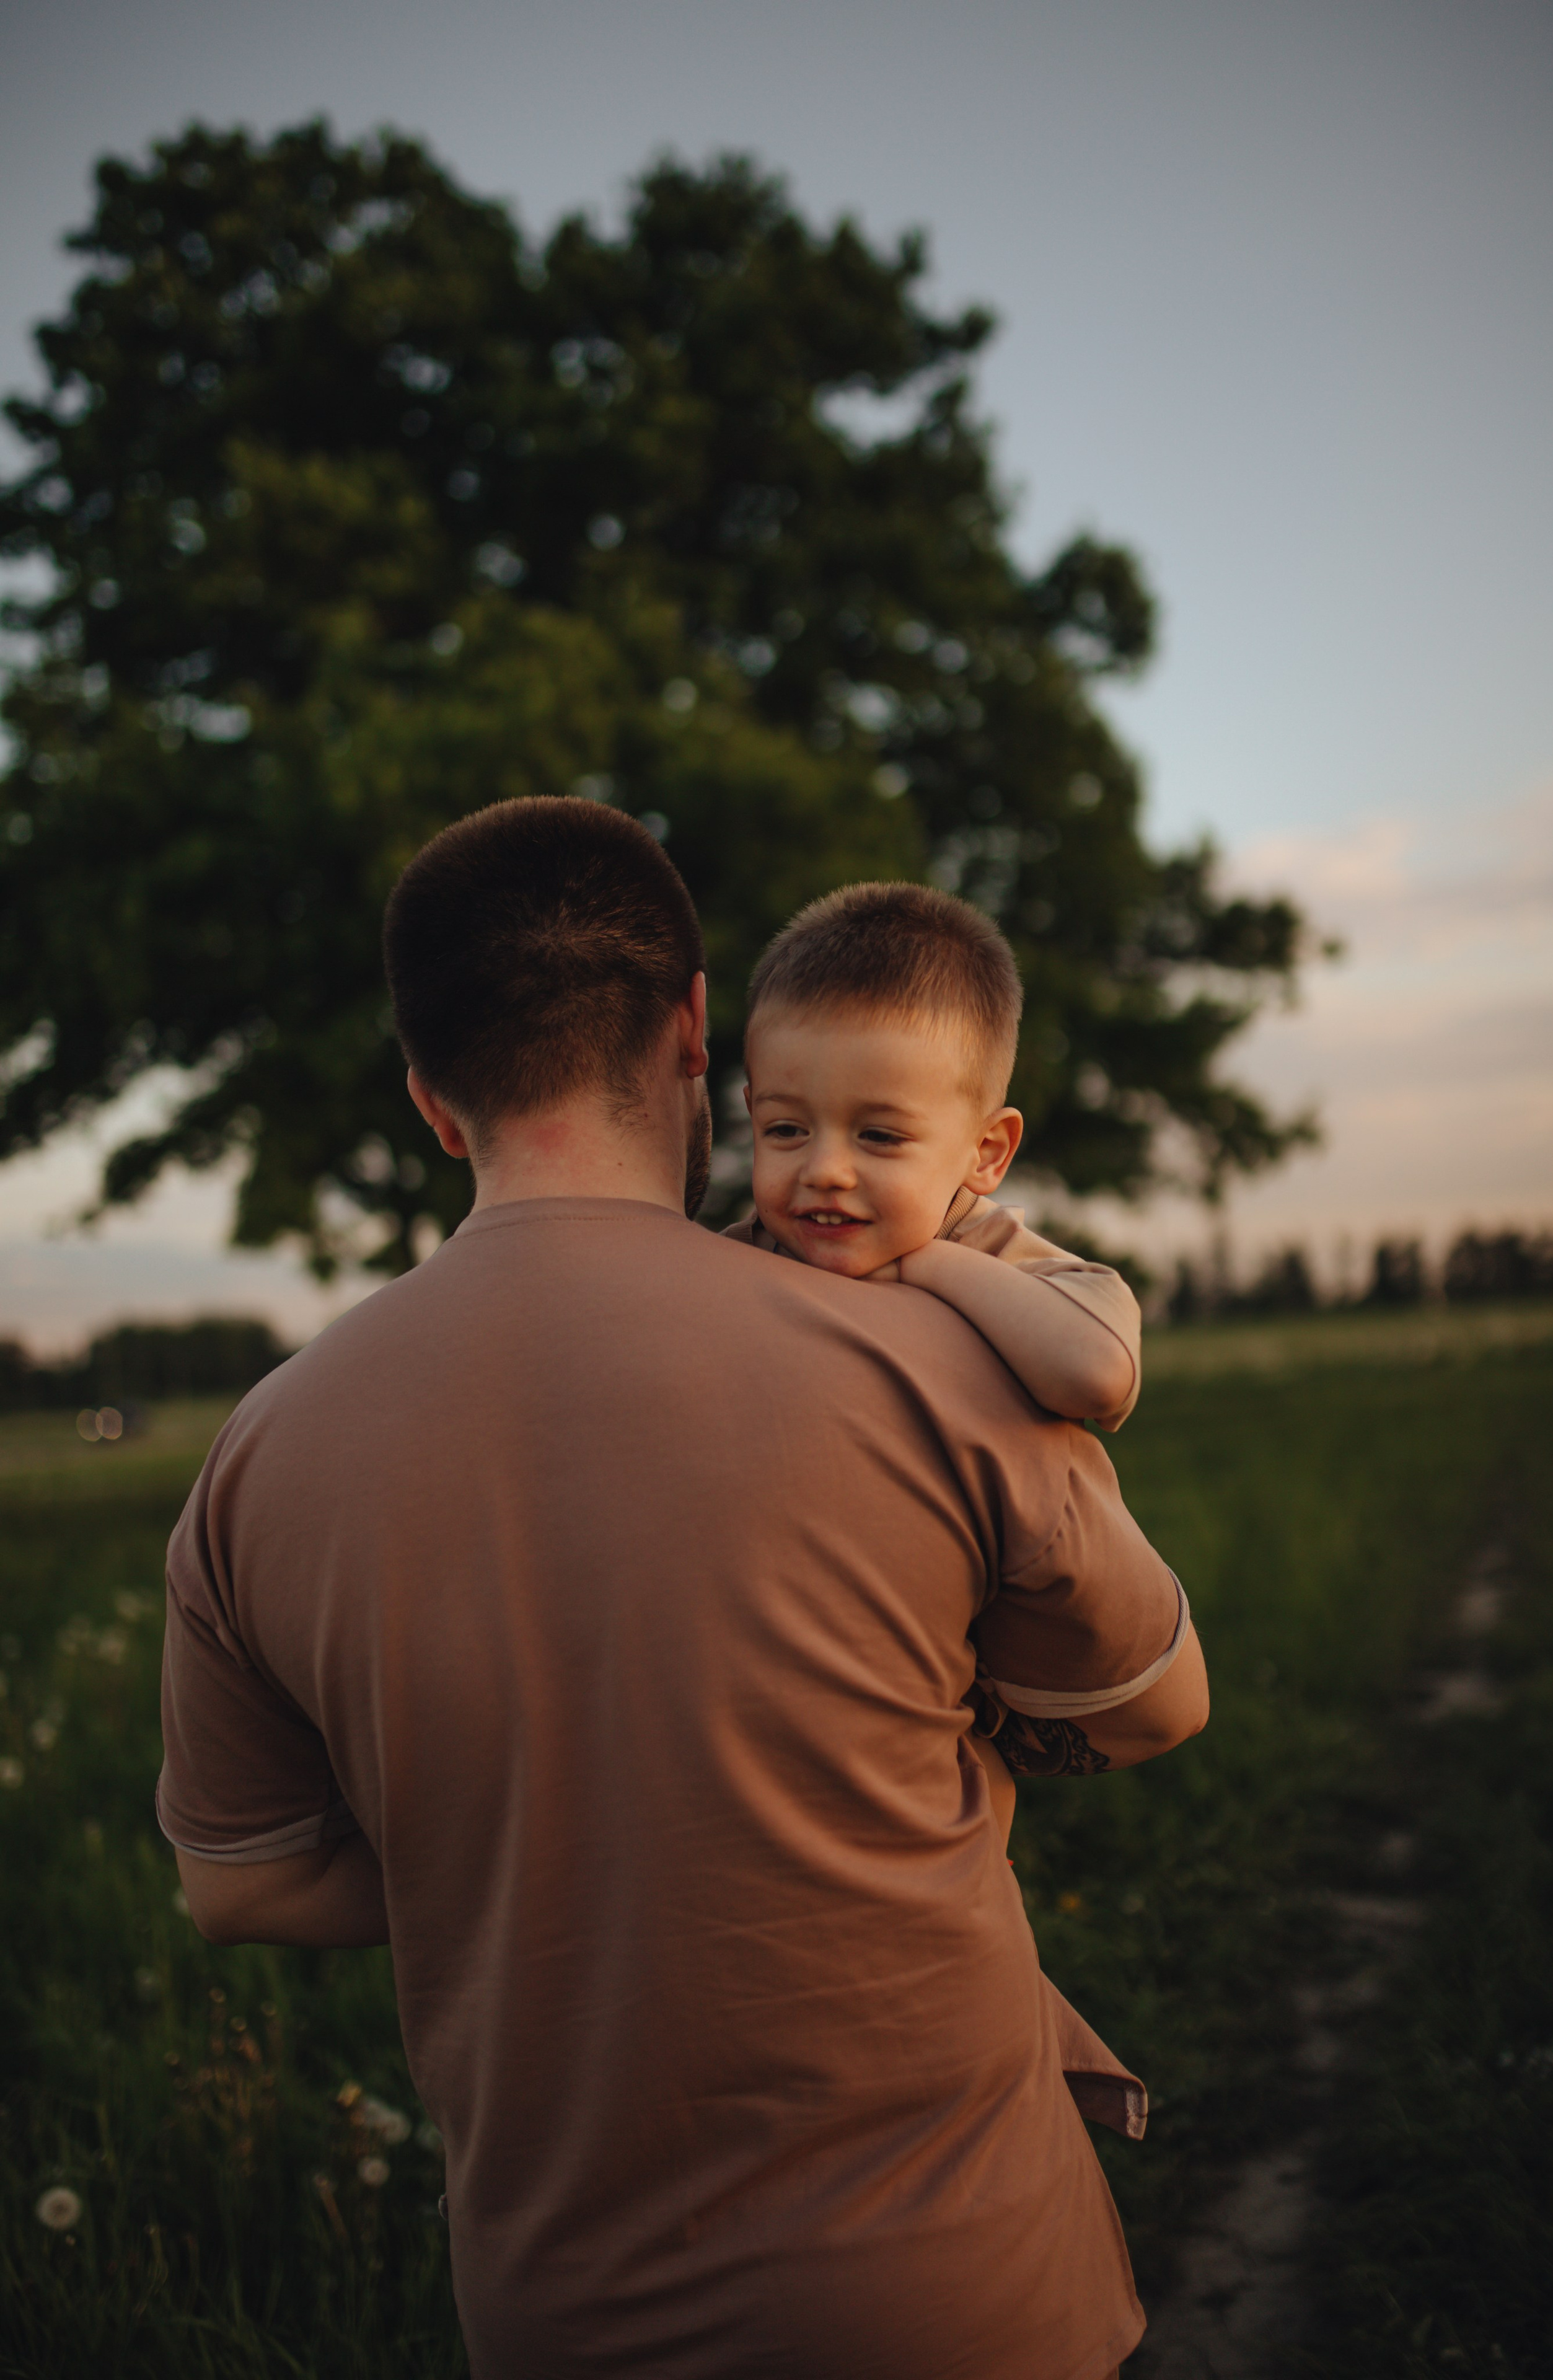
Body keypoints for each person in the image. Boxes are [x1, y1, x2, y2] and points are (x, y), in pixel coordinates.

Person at [158, 796, 1208, 2380]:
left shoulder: (253, 1462)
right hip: (963, 2293)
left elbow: (238, 1885)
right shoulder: (932, 1354)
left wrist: (552, 1857)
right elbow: (1152, 1707)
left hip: (563, 2321)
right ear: (694, 1032)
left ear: (433, 1103)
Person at [726, 881, 1153, 1841]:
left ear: (985, 1152)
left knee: (941, 1809)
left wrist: (928, 1264)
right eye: (787, 1128)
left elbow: (1097, 1372)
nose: (825, 1170)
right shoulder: (746, 1255)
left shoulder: (991, 1251)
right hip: (801, 1630)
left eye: (880, 1137)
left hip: (972, 1653)